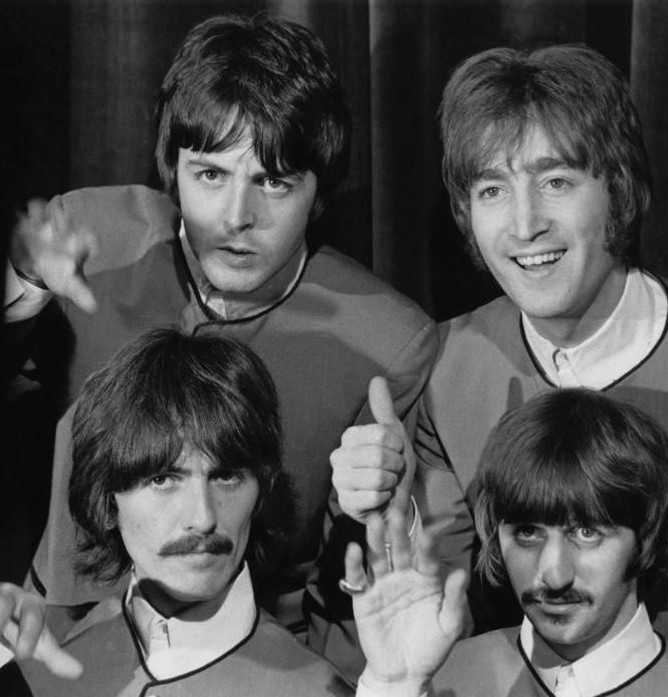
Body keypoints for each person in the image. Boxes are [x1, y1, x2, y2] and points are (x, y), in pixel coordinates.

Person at [4, 13, 435, 677]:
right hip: (54, 640)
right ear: (170, 171)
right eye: (210, 176)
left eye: (274, 181)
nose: (238, 217)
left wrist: (367, 511)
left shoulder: (388, 341)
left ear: (320, 190)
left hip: (253, 659)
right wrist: (22, 290)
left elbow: (358, 595)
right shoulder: (89, 240)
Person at [331, 44, 668, 653]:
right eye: (493, 191)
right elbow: (451, 616)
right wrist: (387, 511)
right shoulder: (447, 368)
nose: (525, 224)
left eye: (556, 181)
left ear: (619, 189)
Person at [0, 328, 354, 696]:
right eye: (163, 479)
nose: (203, 518)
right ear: (107, 502)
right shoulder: (29, 676)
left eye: (226, 476)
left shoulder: (323, 689)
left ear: (261, 492)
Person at [347, 390, 668, 697]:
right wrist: (393, 686)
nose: (554, 575)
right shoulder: (431, 678)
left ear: (645, 536)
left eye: (587, 532)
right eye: (528, 533)